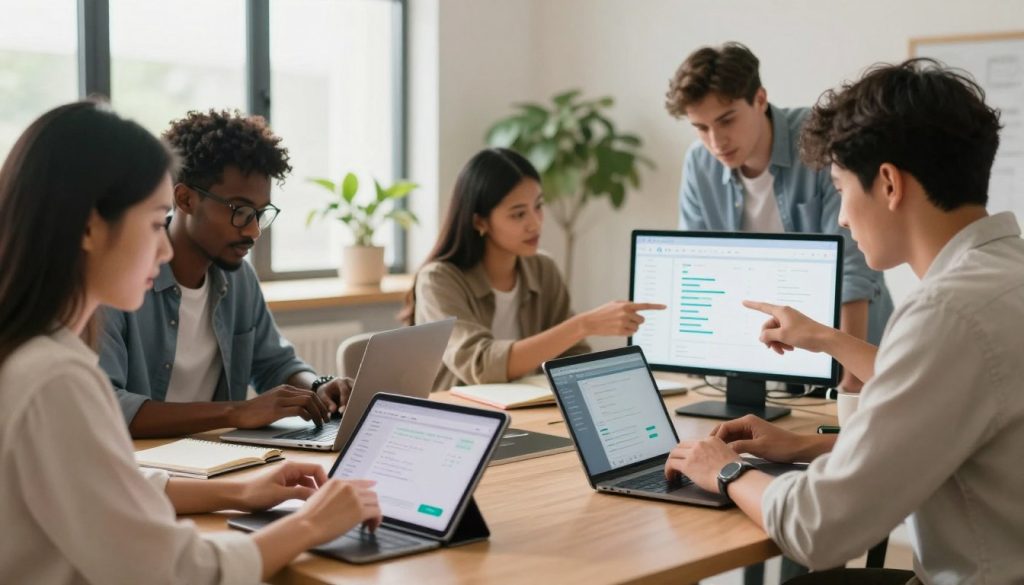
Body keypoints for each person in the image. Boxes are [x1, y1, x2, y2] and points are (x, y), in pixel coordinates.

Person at [664, 59, 1024, 584]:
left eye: (839, 188)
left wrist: (721, 468)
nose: (840, 217)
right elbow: (951, 432)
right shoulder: (1005, 272)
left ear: (888, 184)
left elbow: (817, 527)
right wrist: (806, 445)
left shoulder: (944, 314)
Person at [0, 101, 381, 584]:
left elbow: (107, 486)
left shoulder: (29, 353)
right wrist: (313, 523)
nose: (162, 249)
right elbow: (174, 572)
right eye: (157, 222)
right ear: (90, 227)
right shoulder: (55, 380)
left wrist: (238, 493)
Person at [98, 109, 350, 438]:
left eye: (260, 213)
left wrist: (317, 387)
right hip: (144, 468)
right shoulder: (117, 283)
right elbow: (107, 406)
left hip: (215, 461)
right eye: (240, 211)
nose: (254, 231)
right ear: (185, 199)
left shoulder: (239, 278)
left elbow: (274, 364)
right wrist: (237, 412)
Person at [665, 42, 894, 390]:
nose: (716, 141)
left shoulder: (818, 141)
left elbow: (853, 268)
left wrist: (850, 388)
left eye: (726, 120)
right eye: (701, 127)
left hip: (850, 359)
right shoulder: (699, 163)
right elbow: (694, 267)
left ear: (760, 99)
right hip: (760, 360)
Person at [400, 148, 664, 391]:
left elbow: (572, 355)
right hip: (460, 421)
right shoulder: (438, 280)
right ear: (480, 221)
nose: (535, 223)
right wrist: (584, 324)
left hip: (528, 416)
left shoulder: (542, 268)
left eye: (538, 206)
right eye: (518, 214)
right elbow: (480, 365)